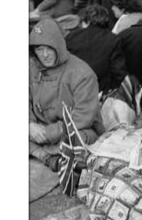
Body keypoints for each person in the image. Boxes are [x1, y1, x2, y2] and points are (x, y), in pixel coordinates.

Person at [29, 17, 103, 170]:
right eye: (39, 49)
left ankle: (42, 153)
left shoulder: (82, 73)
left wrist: (49, 133)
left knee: (77, 140)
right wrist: (29, 125)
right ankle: (48, 157)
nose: (45, 55)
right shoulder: (32, 68)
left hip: (73, 130)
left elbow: (82, 117)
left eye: (49, 48)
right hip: (39, 128)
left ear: (59, 46)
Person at [65, 4, 126, 93]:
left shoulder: (72, 36)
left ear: (86, 21)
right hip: (101, 91)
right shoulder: (113, 39)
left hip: (74, 88)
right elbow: (118, 72)